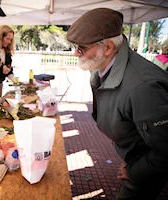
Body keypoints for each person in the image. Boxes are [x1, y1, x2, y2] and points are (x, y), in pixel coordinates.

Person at [66, 8, 168, 200]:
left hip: (148, 162)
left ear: (108, 47)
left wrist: (136, 171)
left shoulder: (144, 88)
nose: (75, 53)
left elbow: (166, 151)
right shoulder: (101, 66)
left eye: (82, 48)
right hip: (135, 152)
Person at [0, 25, 17, 96]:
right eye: (7, 39)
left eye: (11, 40)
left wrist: (10, 74)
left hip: (0, 82)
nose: (9, 42)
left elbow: (8, 65)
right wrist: (1, 68)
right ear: (0, 37)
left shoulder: (7, 51)